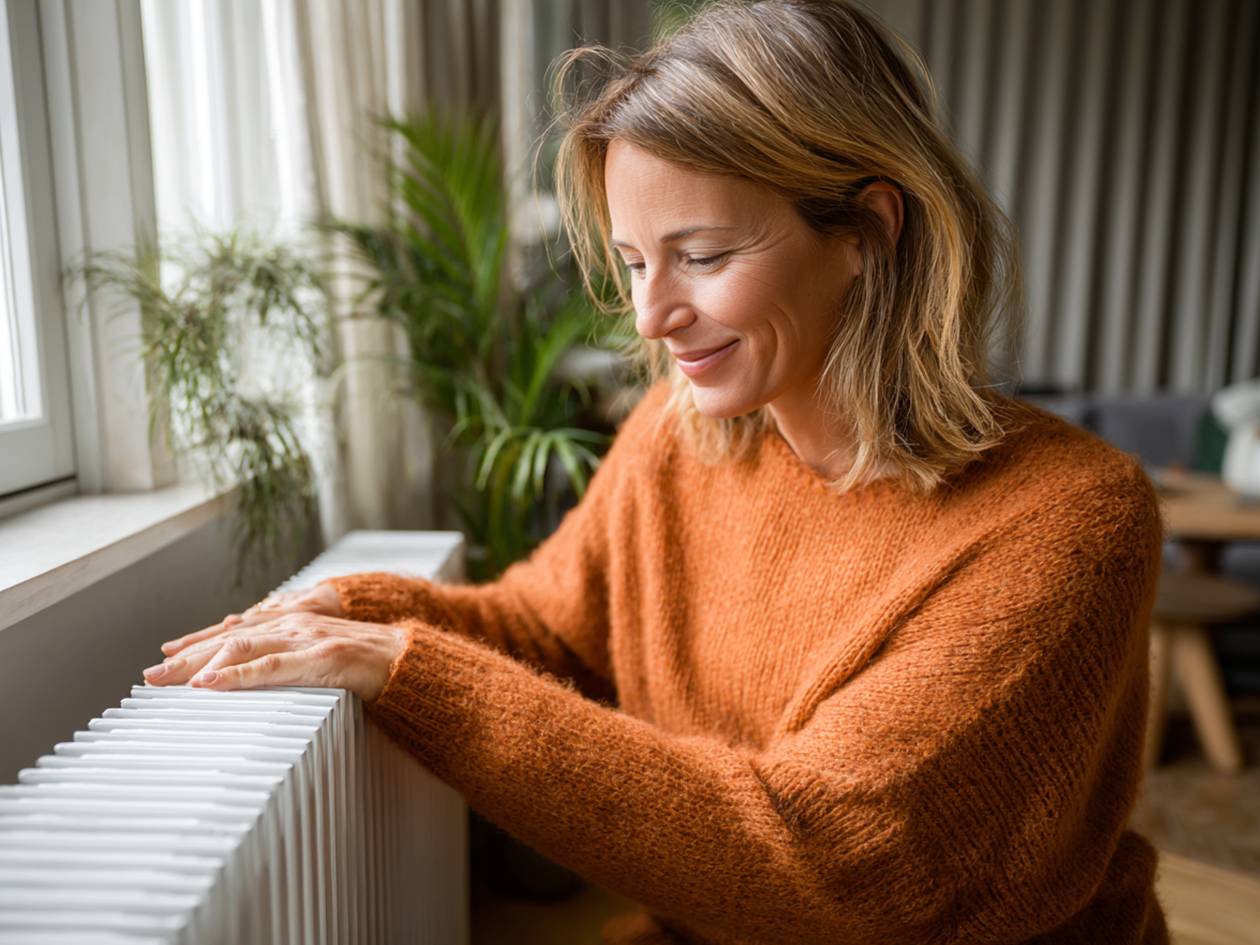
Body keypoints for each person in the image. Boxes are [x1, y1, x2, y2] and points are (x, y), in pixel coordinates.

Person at [147, 1, 1169, 941]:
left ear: (866, 231)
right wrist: (342, 611)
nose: (649, 317)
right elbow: (547, 629)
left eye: (706, 255)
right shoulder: (681, 433)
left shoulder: (1069, 520)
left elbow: (827, 859)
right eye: (636, 262)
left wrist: (409, 673)